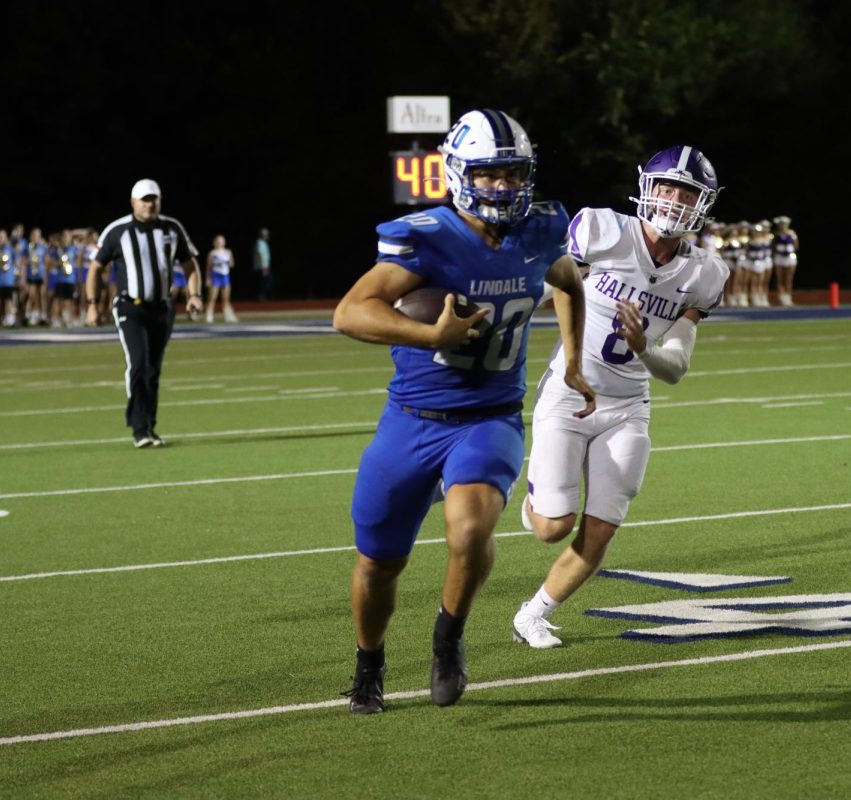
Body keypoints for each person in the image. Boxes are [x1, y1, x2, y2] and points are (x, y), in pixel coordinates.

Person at [332, 109, 595, 714]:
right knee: (378, 564)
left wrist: (574, 360)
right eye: (489, 174)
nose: (503, 187)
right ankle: (368, 663)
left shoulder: (541, 229)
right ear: (458, 173)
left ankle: (447, 641)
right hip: (412, 420)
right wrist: (431, 336)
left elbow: (568, 281)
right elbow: (350, 312)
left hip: (489, 418)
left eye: (512, 173)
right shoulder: (426, 236)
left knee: (471, 529)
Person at [512, 145, 729, 649]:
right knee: (551, 527)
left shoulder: (704, 273)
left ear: (704, 203)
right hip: (570, 389)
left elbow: (674, 368)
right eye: (668, 187)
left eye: (688, 192)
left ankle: (534, 614)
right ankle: (535, 498)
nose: (675, 200)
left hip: (629, 405)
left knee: (602, 527)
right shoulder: (602, 229)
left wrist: (644, 347)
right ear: (648, 187)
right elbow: (548, 286)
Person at [87, 179, 204, 447]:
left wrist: (194, 295)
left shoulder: (171, 228)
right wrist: (93, 303)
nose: (149, 204)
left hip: (162, 307)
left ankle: (150, 426)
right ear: (133, 202)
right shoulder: (117, 232)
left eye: (153, 199)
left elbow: (190, 264)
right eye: (144, 199)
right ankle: (139, 428)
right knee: (138, 363)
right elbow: (95, 268)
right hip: (131, 306)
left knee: (153, 370)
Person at [205, 234, 238, 322]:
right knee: (212, 298)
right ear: (214, 242)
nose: (220, 243)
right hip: (215, 276)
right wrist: (208, 279)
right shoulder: (212, 253)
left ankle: (227, 316)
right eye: (218, 241)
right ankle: (209, 315)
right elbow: (208, 267)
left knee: (226, 298)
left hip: (225, 276)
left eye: (221, 241)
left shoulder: (228, 252)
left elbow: (232, 264)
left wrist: (228, 262)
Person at [772, 215, 798, 306]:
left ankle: (788, 297)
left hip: (790, 257)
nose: (782, 226)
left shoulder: (792, 234)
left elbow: (796, 246)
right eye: (781, 224)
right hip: (779, 257)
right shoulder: (776, 235)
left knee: (788, 279)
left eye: (784, 224)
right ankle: (782, 297)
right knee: (780, 278)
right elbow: (773, 247)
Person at [253, 228, 272, 300]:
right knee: (263, 282)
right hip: (261, 267)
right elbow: (260, 254)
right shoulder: (260, 242)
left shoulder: (263, 243)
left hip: (264, 266)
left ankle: (262, 296)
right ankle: (260, 297)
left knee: (265, 281)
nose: (267, 236)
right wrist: (263, 266)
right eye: (265, 235)